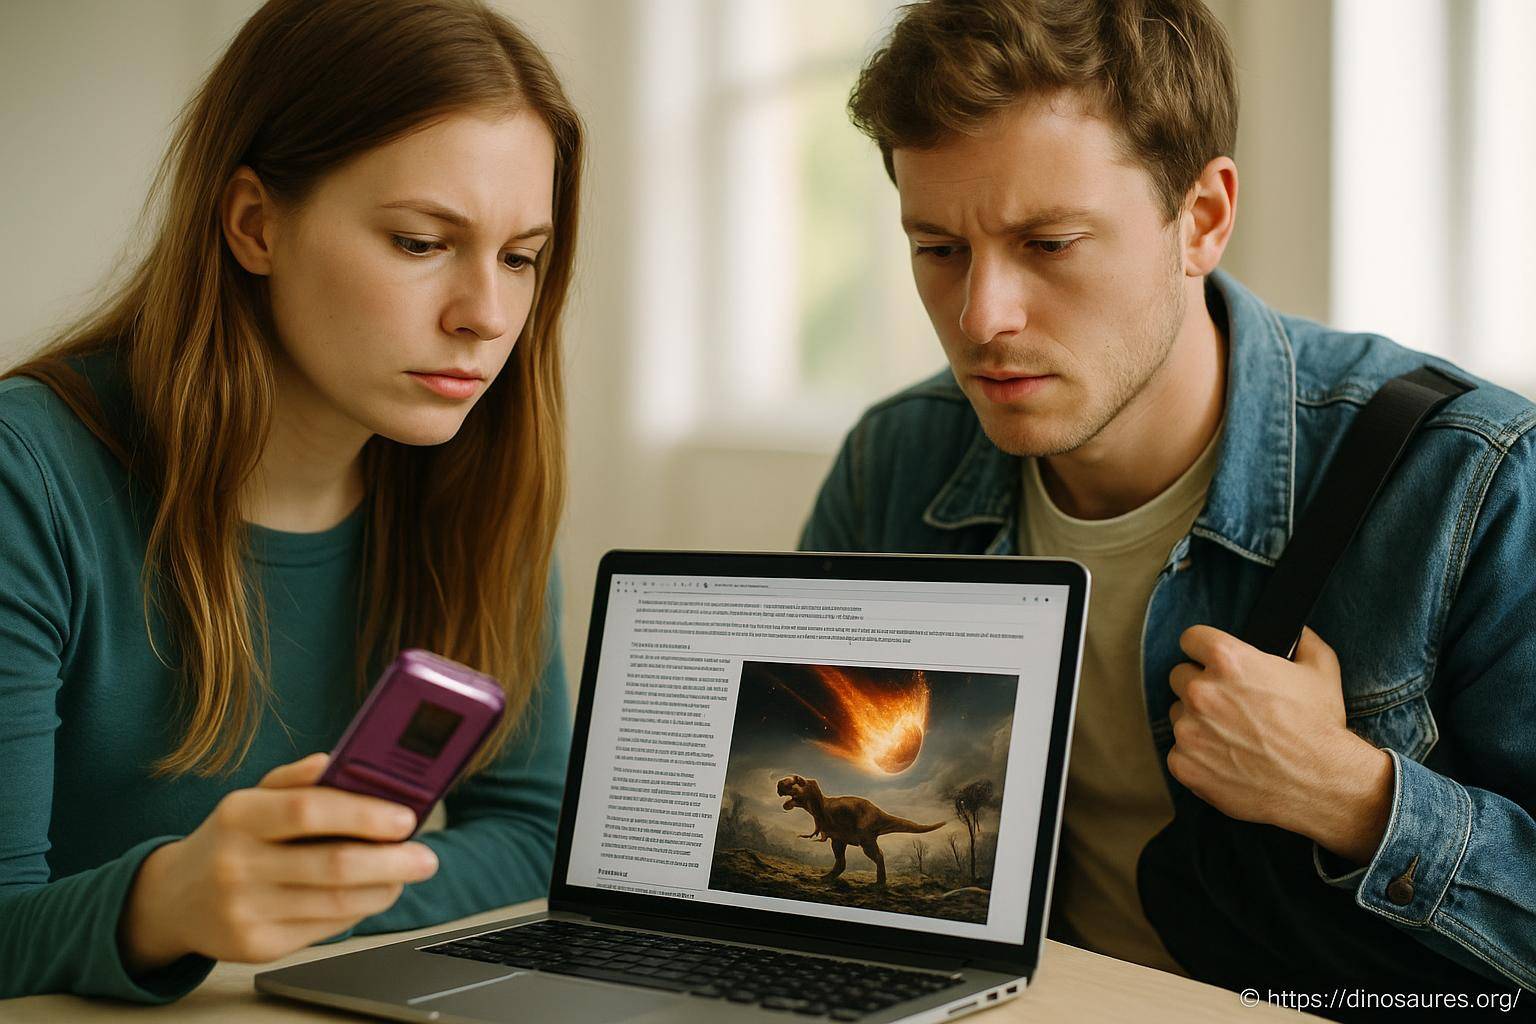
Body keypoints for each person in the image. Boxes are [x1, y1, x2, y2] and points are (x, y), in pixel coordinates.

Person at [801, 0, 1535, 1003]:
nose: (981, 316)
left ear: (1204, 219)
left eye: (1050, 243)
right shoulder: (894, 461)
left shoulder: (1472, 477)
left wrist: (1355, 797)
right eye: (938, 248)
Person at [0, 0, 581, 1003]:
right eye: (417, 242)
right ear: (254, 224)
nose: (486, 315)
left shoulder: (482, 478)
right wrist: (168, 903)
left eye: (521, 256)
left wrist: (292, 904)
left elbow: (538, 834)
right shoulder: (29, 475)